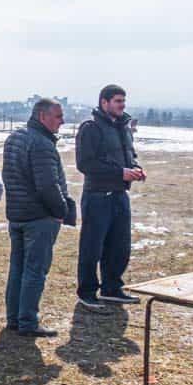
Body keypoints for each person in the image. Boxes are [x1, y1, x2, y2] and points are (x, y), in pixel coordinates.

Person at [2, 99, 73, 337]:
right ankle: (28, 322)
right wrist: (61, 211)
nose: (62, 121)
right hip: (40, 218)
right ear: (43, 117)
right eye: (58, 116)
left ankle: (14, 319)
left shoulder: (15, 138)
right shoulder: (42, 144)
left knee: (18, 269)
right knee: (34, 271)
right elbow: (47, 186)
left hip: (18, 215)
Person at [75, 85, 145, 312]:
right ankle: (87, 292)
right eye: (118, 101)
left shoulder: (123, 127)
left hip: (119, 194)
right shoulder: (91, 128)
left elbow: (129, 155)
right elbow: (85, 164)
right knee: (92, 247)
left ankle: (112, 288)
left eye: (124, 101)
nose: (122, 105)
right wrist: (120, 173)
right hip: (97, 196)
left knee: (119, 245)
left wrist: (135, 168)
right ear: (104, 103)